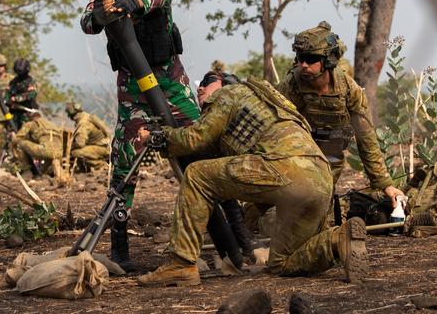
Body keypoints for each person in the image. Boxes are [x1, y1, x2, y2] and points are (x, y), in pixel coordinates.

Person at [136, 73, 369, 287]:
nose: (202, 90)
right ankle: (338, 240)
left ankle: (181, 264)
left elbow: (196, 138)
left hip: (284, 166)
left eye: (207, 83)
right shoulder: (265, 104)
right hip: (320, 177)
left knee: (197, 175)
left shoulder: (229, 93)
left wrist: (158, 136)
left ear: (221, 84)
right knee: (281, 262)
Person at [80, 0, 200, 271]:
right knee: (123, 168)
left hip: (171, 85)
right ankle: (120, 248)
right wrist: (105, 13)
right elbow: (88, 22)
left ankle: (229, 229)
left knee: (199, 151)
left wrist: (132, 3)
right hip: (133, 91)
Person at [277, 21, 404, 205]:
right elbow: (275, 124)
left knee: (318, 203)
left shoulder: (349, 90)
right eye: (300, 58)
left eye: (311, 59)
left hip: (331, 155)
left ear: (328, 60)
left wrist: (385, 184)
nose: (303, 65)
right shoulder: (292, 84)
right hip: (298, 153)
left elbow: (366, 140)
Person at [10, 108, 70, 185]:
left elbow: (18, 139)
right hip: (58, 153)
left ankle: (26, 171)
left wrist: (13, 138)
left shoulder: (31, 123)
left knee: (20, 143)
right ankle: (50, 174)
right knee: (45, 168)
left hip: (45, 151)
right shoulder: (52, 124)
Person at [65, 101, 110, 172]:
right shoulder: (87, 117)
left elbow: (80, 143)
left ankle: (101, 165)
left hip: (102, 148)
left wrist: (68, 147)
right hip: (102, 147)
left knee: (76, 152)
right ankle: (84, 170)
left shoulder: (83, 123)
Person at [6, 57, 38, 131]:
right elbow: (6, 95)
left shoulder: (30, 82)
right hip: (14, 116)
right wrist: (8, 101)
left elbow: (32, 94)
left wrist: (16, 98)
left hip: (27, 115)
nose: (20, 75)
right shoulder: (13, 82)